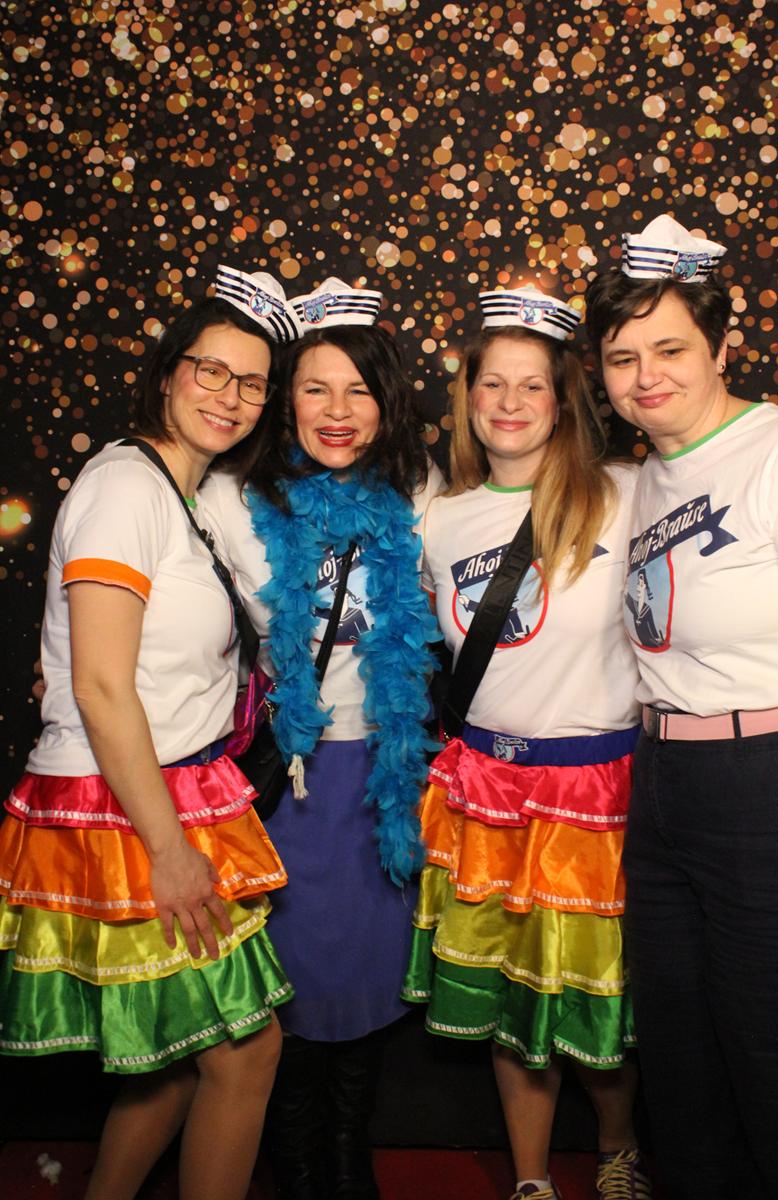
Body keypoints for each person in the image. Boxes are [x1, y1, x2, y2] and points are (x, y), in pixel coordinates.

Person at [0, 269, 298, 1200]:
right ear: (169, 373)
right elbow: (99, 685)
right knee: (246, 1053)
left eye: (252, 383)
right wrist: (168, 852)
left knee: (179, 1058)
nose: (230, 396)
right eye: (211, 371)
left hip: (173, 785)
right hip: (127, 806)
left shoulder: (187, 492)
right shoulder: (126, 486)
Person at [402, 286, 651, 1200]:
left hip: (593, 795)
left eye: (532, 385)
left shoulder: (628, 494)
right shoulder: (439, 519)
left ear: (563, 399)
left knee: (593, 997)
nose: (509, 402)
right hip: (485, 793)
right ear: (467, 396)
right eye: (491, 383)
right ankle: (532, 1179)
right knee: (512, 997)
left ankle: (618, 1151)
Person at [199, 278, 441, 1200]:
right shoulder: (231, 498)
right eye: (315, 388)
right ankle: (295, 1162)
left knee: (372, 968)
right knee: (291, 975)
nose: (338, 412)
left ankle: (348, 1153)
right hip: (286, 777)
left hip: (385, 772)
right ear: (285, 398)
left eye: (359, 391)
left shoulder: (420, 490)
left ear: (387, 401)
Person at [585, 214, 778, 1200]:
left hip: (769, 781)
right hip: (663, 780)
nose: (645, 376)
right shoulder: (641, 479)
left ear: (720, 346)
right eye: (621, 357)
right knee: (676, 1053)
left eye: (669, 349)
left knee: (772, 1050)